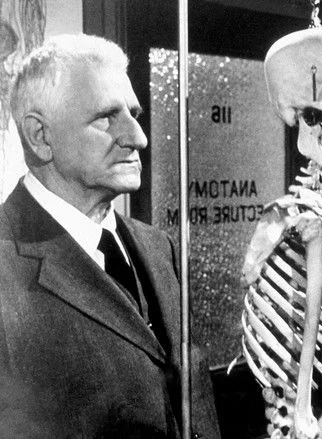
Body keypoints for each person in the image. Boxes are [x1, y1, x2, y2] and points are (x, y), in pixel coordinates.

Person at [0, 34, 220, 437]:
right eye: (106, 117)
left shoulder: (160, 248)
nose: (138, 137)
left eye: (134, 114)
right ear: (40, 136)